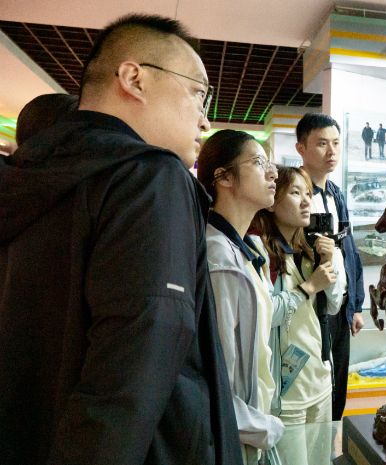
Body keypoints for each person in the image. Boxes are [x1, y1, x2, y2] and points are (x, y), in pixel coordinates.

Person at [0, 14, 242, 465]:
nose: (205, 119)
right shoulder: (150, 177)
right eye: (198, 92)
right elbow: (133, 371)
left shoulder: (24, 178)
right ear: (134, 78)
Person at [196, 130, 285, 465]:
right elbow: (215, 375)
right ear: (224, 178)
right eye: (259, 162)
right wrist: (262, 428)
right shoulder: (218, 258)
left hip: (250, 429)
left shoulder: (243, 248)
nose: (273, 173)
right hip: (233, 437)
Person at [252, 166, 346, 465]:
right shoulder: (261, 251)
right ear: (272, 200)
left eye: (308, 193)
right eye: (295, 193)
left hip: (320, 381)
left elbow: (333, 306)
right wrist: (309, 287)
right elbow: (264, 316)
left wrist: (330, 262)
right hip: (286, 395)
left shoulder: (309, 251)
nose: (307, 201)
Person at [295, 113, 365, 421]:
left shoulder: (336, 193)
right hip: (311, 307)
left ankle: (330, 440)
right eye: (322, 143)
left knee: (338, 391)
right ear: (301, 148)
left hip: (340, 309)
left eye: (336, 143)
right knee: (314, 389)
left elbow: (350, 251)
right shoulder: (293, 192)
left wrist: (356, 306)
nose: (331, 151)